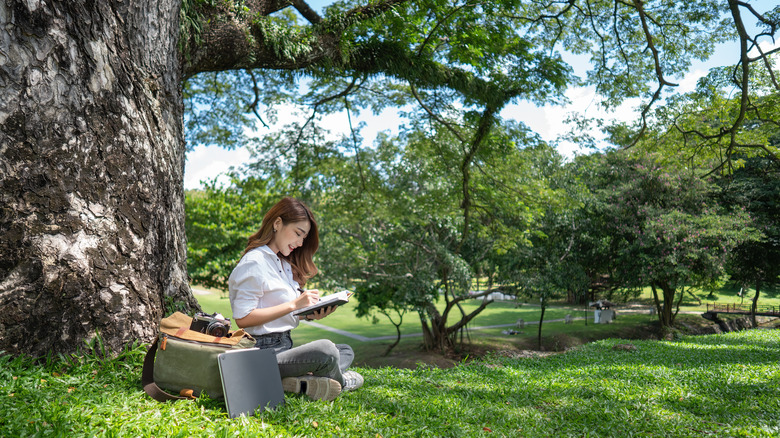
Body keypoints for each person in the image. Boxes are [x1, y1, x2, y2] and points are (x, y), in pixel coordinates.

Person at [228, 197, 363, 401]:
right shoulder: (254, 262)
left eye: (304, 238)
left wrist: (308, 314)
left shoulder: (281, 263)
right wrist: (294, 304)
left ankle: (298, 379)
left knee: (344, 350)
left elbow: (277, 311)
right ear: (277, 223)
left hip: (285, 347)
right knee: (325, 350)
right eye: (298, 234)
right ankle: (341, 383)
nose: (300, 243)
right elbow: (243, 318)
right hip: (262, 352)